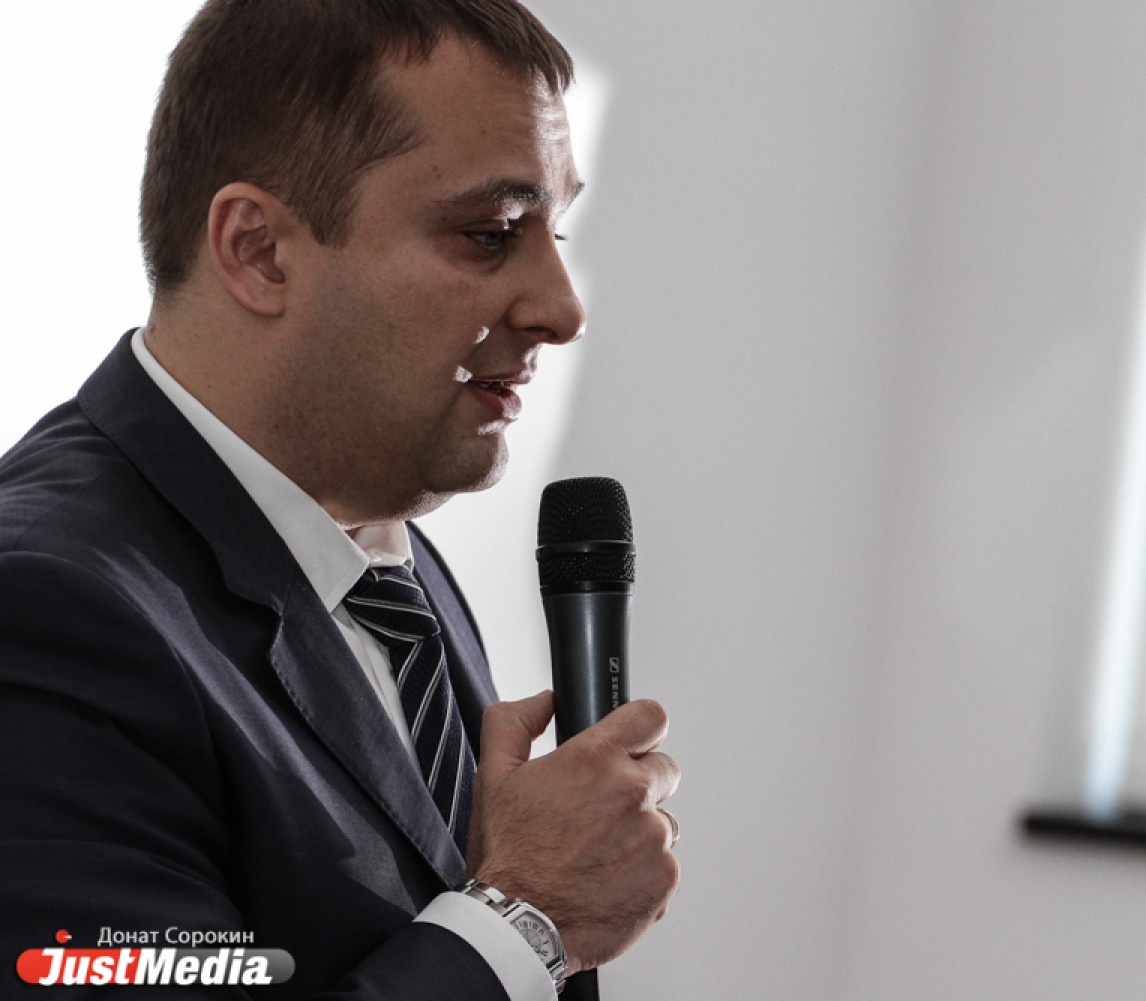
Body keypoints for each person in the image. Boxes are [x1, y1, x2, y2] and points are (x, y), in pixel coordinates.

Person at [0, 1, 680, 998]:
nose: (562, 308)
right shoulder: (42, 612)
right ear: (258, 251)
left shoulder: (383, 554)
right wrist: (529, 917)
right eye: (491, 233)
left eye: (556, 226)